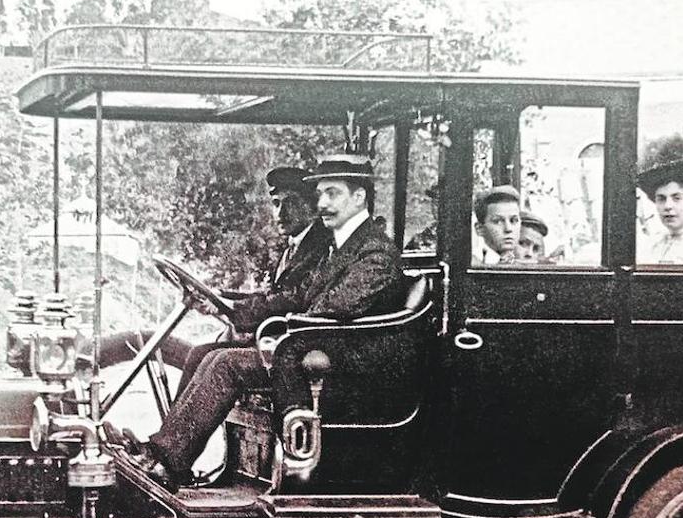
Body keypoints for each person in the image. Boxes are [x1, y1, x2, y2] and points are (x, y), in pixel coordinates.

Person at [130, 154, 405, 491]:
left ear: (359, 196)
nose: (322, 204)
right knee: (216, 356)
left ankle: (168, 460)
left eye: (332, 193)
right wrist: (238, 311)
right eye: (320, 195)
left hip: (345, 363)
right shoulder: (343, 246)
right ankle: (166, 456)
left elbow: (333, 310)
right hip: (317, 351)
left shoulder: (374, 250)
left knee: (225, 363)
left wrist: (276, 335)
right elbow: (301, 297)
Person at [173, 166, 332, 397]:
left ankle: (175, 433)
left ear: (311, 206)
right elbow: (271, 297)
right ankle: (173, 431)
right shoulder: (295, 245)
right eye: (277, 203)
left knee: (207, 356)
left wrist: (233, 307)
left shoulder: (320, 246)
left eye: (291, 203)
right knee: (200, 353)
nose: (281, 213)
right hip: (278, 341)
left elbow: (292, 300)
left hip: (292, 350)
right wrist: (220, 296)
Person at [472, 185, 521, 264]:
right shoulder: (473, 264)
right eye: (497, 221)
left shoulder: (525, 263)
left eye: (513, 220)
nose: (508, 229)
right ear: (479, 229)